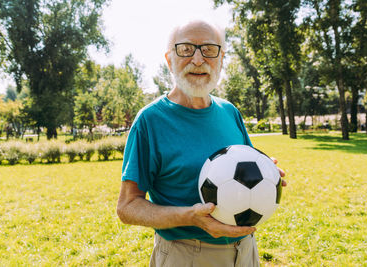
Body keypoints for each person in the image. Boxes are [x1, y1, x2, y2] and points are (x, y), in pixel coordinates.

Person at [117, 20, 286, 267]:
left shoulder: (230, 112)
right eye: (186, 49)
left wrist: (266, 172)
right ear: (169, 59)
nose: (197, 59)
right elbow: (127, 207)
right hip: (187, 255)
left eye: (209, 49)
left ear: (221, 59)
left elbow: (242, 165)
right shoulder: (150, 121)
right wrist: (191, 217)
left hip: (246, 251)